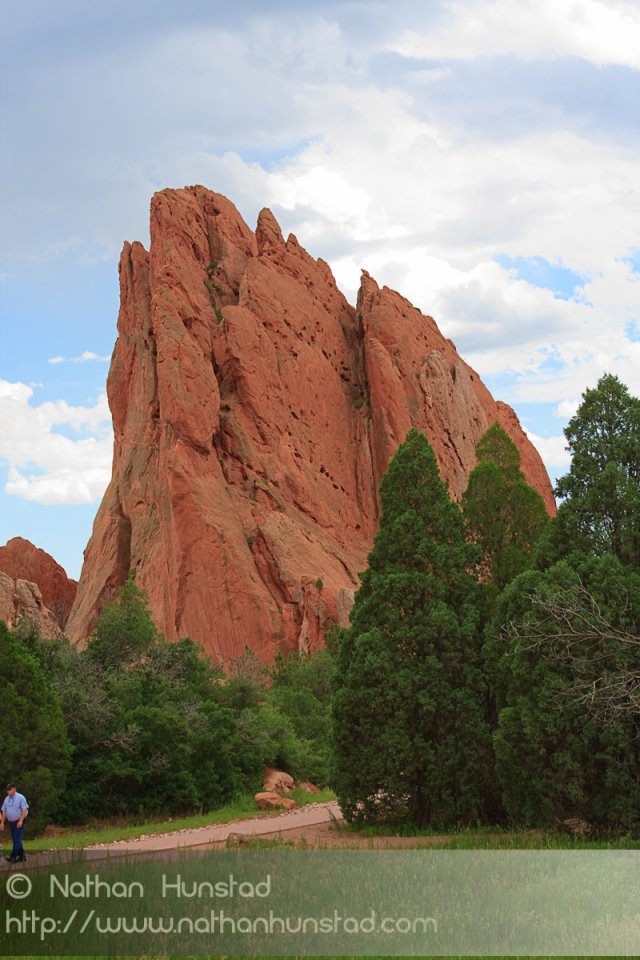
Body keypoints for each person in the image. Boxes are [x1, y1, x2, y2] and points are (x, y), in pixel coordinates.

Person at [0, 783, 29, 863]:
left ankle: (13, 856)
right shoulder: (6, 799)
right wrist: (2, 823)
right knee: (16, 840)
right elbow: (4, 811)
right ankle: (21, 856)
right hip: (11, 822)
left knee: (16, 840)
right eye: (7, 790)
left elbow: (24, 810)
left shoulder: (20, 797)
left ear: (14, 789)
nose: (8, 791)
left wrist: (20, 821)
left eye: (9, 789)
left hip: (18, 821)